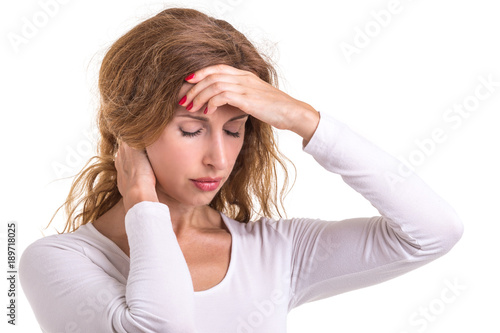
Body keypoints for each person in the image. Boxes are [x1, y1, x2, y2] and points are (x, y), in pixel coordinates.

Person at [19, 7, 464, 333]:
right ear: (132, 132)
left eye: (234, 130)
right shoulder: (59, 261)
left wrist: (304, 119)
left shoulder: (277, 252)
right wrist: (141, 200)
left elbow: (434, 231)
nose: (219, 158)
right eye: (191, 130)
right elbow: (160, 327)